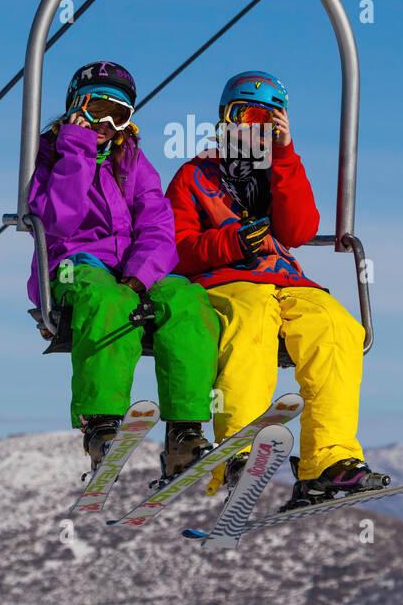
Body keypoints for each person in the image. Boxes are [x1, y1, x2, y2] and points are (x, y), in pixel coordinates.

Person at [166, 70, 384, 509]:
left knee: (337, 326)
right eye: (245, 115)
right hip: (224, 279)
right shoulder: (194, 176)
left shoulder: (277, 171)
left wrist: (284, 157)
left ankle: (328, 462)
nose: (254, 129)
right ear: (225, 119)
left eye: (267, 120)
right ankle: (240, 450)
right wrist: (229, 242)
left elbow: (300, 229)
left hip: (285, 279)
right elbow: (175, 249)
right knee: (251, 320)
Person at [27, 60, 220, 478]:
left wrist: (139, 274)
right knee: (107, 300)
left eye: (120, 115)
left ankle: (185, 431)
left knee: (188, 300)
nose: (107, 123)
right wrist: (75, 147)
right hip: (70, 264)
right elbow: (57, 219)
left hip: (130, 269)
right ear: (76, 106)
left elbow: (157, 224)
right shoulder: (46, 153)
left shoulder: (131, 160)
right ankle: (102, 425)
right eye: (98, 109)